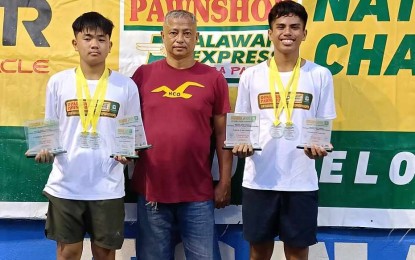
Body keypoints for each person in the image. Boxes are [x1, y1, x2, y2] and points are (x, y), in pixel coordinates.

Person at [26, 12, 141, 260]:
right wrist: (44, 148)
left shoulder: (126, 86)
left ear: (110, 45)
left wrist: (129, 153)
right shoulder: (58, 83)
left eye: (101, 38)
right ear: (75, 43)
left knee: (104, 253)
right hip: (66, 184)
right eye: (87, 37)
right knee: (68, 252)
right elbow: (50, 129)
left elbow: (132, 133)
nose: (94, 44)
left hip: (108, 186)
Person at [232, 1, 337, 260]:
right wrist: (241, 145)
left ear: (304, 33)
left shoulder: (320, 75)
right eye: (280, 26)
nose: (286, 32)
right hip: (259, 179)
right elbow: (242, 125)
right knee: (258, 252)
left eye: (294, 27)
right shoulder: (251, 75)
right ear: (270, 33)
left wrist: (319, 148)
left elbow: (323, 125)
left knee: (298, 253)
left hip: (301, 180)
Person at [130, 9, 233, 260]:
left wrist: (225, 181)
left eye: (187, 33)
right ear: (162, 36)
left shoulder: (213, 78)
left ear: (196, 38)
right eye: (173, 33)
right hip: (151, 189)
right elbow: (126, 127)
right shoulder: (142, 76)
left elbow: (223, 135)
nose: (180, 39)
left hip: (198, 191)